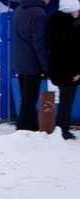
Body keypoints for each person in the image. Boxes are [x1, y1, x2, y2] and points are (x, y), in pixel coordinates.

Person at [13, 0, 50, 132]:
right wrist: (46, 66)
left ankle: (32, 128)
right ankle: (22, 130)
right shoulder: (39, 13)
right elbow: (39, 43)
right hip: (32, 64)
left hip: (20, 62)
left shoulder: (18, 10)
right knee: (29, 101)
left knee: (26, 99)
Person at [47, 0, 80, 140]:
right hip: (69, 72)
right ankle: (62, 130)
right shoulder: (71, 26)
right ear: (72, 9)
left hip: (57, 70)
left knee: (64, 101)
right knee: (66, 102)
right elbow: (73, 52)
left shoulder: (53, 22)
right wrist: (76, 72)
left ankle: (61, 129)